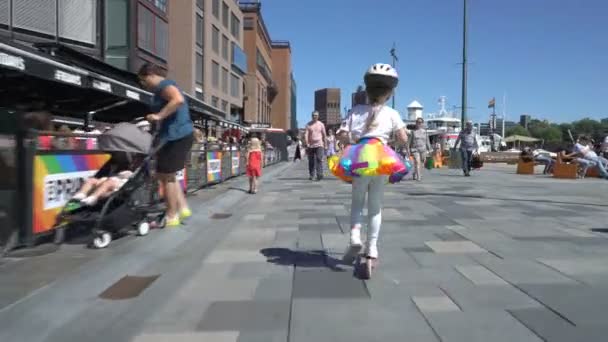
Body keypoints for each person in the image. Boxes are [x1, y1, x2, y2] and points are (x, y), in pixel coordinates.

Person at [337, 63, 408, 278]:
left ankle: (355, 237)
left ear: (367, 91)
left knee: (357, 201)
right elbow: (403, 138)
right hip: (381, 158)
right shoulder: (392, 113)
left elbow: (342, 134)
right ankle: (372, 249)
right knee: (375, 205)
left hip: (360, 156)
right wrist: (396, 142)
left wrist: (351, 139)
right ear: (390, 92)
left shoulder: (356, 111)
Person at [138, 63, 194, 227]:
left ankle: (172, 215)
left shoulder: (164, 85)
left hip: (176, 135)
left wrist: (158, 116)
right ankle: (182, 207)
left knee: (167, 175)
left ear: (150, 75)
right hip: (174, 135)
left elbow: (177, 100)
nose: (143, 84)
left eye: (143, 80)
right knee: (166, 174)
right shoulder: (162, 88)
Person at [305, 111, 327, 181]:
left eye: (316, 115)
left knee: (319, 159)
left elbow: (324, 135)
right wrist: (307, 143)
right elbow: (306, 134)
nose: (315, 116)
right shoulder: (308, 124)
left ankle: (319, 174)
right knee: (311, 161)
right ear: (312, 116)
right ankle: (312, 175)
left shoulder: (321, 124)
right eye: (314, 115)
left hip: (319, 144)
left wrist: (325, 145)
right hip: (311, 145)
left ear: (318, 116)